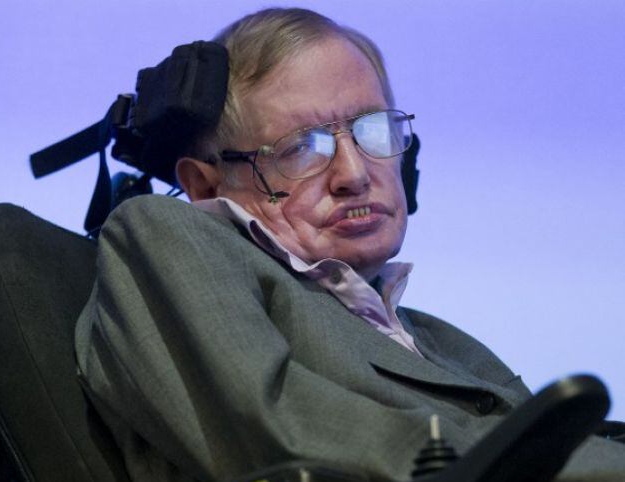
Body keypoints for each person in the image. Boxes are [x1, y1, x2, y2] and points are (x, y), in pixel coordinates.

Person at [75, 8, 625, 482]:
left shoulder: (443, 342)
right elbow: (268, 430)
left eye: (374, 130)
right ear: (204, 185)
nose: (355, 174)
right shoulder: (163, 232)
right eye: (301, 147)